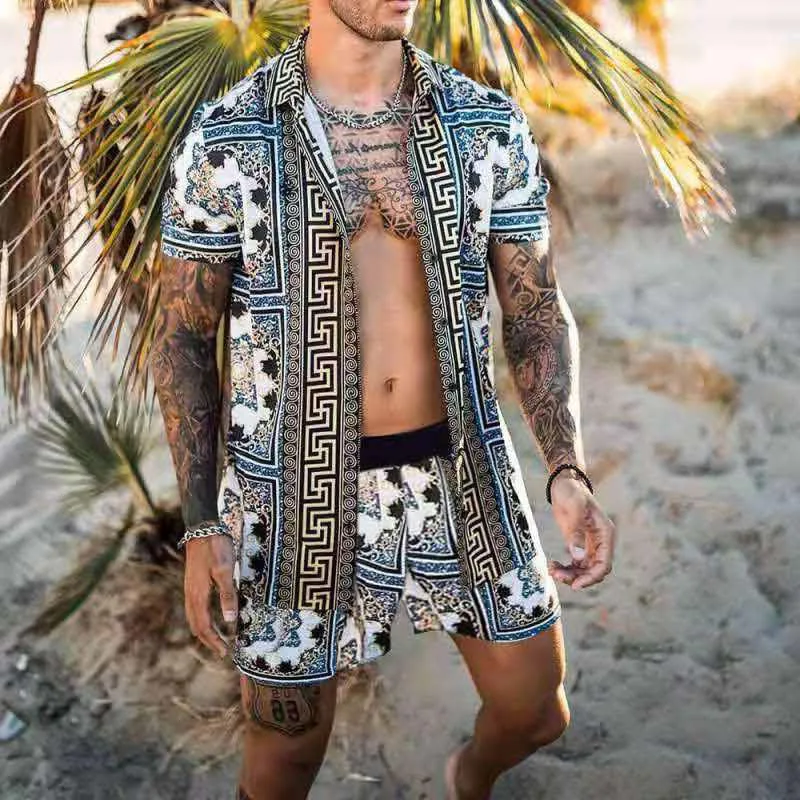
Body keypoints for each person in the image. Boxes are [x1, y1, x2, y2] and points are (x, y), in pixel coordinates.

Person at [152, 1, 616, 797]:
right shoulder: (230, 135)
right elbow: (183, 336)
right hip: (291, 490)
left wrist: (566, 468)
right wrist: (200, 523)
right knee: (285, 752)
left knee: (536, 712)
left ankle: (469, 777)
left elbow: (536, 306)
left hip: (462, 470)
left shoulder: (484, 122)